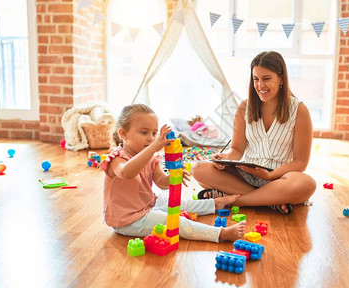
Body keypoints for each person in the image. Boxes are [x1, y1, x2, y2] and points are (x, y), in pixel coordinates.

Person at [192, 51, 316, 215]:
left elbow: (300, 162)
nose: (260, 85)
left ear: (281, 79)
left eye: (266, 79)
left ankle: (233, 200)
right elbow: (236, 150)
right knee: (199, 169)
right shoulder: (244, 107)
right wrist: (225, 158)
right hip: (247, 174)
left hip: (280, 178)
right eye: (255, 79)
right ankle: (270, 201)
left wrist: (269, 176)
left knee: (306, 184)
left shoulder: (300, 110)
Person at [101, 103, 246, 243]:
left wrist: (174, 177)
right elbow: (127, 172)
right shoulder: (117, 158)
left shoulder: (150, 158)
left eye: (154, 133)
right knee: (175, 221)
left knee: (177, 204)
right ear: (123, 134)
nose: (151, 138)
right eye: (144, 132)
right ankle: (221, 234)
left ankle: (213, 204)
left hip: (146, 206)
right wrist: (154, 147)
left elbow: (161, 182)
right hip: (128, 220)